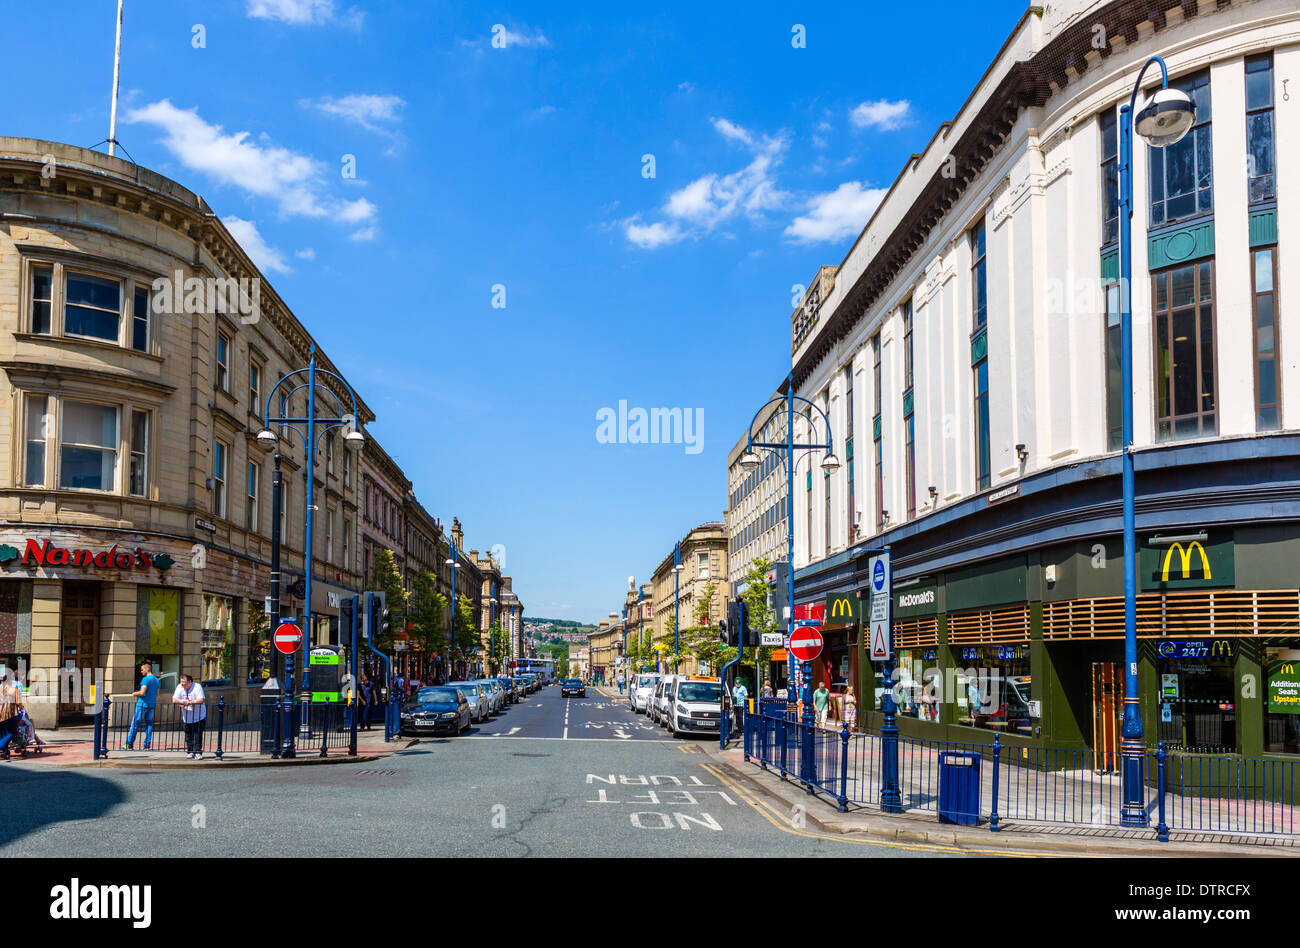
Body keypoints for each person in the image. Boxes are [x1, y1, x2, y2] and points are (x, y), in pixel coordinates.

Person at [123, 662, 160, 750]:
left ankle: (129, 744)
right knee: (149, 725)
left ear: (147, 669)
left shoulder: (145, 679)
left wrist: (134, 693)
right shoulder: (156, 679)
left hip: (142, 704)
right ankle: (147, 745)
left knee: (135, 724)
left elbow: (142, 692)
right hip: (152, 704)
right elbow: (157, 694)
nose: (141, 671)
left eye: (142, 670)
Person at [172, 673, 207, 759]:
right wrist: (183, 702)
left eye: (184, 682)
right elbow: (174, 699)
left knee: (197, 735)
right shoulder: (180, 687)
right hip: (187, 717)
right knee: (188, 735)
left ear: (190, 682)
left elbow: (201, 699)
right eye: (181, 682)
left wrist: (191, 702)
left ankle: (198, 752)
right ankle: (190, 751)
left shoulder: (197, 687)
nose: (182, 684)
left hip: (199, 716)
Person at [0, 676, 23, 760]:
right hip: (11, 713)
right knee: (12, 732)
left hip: (0, 714)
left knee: (3, 733)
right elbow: (18, 702)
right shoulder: (14, 689)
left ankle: (5, 752)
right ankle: (1, 746)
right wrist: (22, 707)